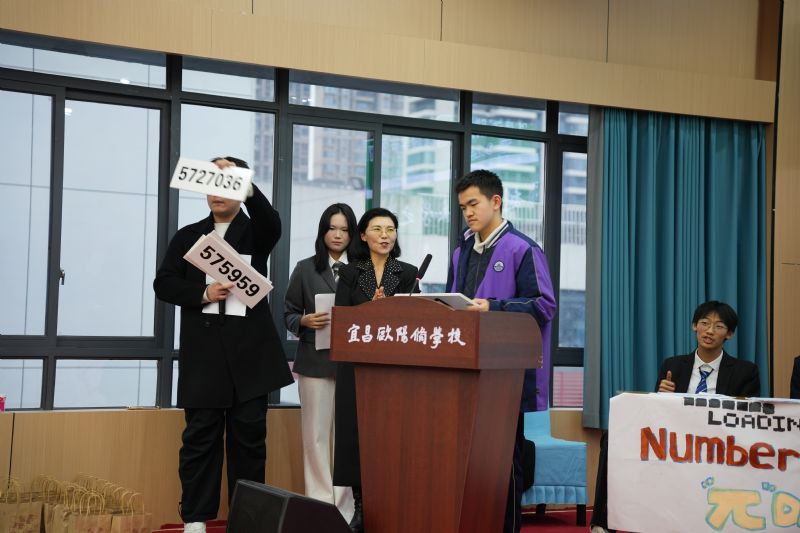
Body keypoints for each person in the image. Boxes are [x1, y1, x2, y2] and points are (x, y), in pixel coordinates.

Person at [153, 157, 293, 533]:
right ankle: (195, 520)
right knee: (199, 440)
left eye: (226, 183)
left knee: (250, 443)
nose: (217, 191)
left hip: (251, 358)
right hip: (205, 358)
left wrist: (245, 182)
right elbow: (164, 283)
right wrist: (203, 292)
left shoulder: (256, 232)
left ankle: (247, 522)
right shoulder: (188, 235)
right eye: (211, 182)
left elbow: (272, 222)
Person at [446, 169, 556, 533]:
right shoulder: (461, 251)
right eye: (463, 207)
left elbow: (543, 306)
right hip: (466, 371)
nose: (468, 213)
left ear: (496, 201)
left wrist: (493, 307)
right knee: (468, 465)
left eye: (473, 204)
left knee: (505, 465)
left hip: (506, 376)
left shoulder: (523, 249)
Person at [590, 300, 761, 533]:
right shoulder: (673, 365)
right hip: (674, 438)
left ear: (729, 334)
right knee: (611, 438)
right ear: (694, 326)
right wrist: (662, 395)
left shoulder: (745, 371)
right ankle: (602, 522)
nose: (710, 331)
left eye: (719, 326)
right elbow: (656, 412)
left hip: (718, 441)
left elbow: (747, 417)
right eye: (704, 323)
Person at [332, 207, 419, 533]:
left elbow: (416, 322)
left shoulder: (408, 273)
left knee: (391, 438)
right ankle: (361, 509)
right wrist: (371, 310)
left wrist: (389, 310)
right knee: (356, 438)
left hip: (394, 370)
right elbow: (341, 318)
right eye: (378, 229)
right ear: (363, 235)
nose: (385, 235)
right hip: (356, 368)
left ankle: (392, 506)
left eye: (390, 229)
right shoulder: (351, 273)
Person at [284, 203, 359, 520]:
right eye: (332, 228)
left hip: (352, 365)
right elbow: (288, 312)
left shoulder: (363, 270)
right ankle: (319, 503)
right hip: (315, 361)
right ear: (322, 231)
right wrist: (303, 321)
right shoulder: (305, 268)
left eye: (344, 229)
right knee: (314, 436)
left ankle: (345, 507)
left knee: (345, 439)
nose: (338, 235)